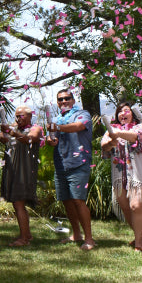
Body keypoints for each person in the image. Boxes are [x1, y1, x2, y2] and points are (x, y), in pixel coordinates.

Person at [100, 102, 142, 252]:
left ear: (133, 114)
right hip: (119, 174)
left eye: (127, 110)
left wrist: (117, 134)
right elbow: (104, 146)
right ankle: (140, 236)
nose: (123, 113)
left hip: (139, 172)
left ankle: (138, 244)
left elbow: (137, 137)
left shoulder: (140, 127)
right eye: (120, 111)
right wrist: (111, 142)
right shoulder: (112, 130)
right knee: (125, 206)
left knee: (136, 205)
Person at [46, 89, 95, 251]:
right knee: (67, 201)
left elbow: (79, 126)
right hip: (61, 164)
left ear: (73, 100)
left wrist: (57, 127)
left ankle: (89, 239)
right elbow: (53, 139)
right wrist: (50, 139)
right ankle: (76, 234)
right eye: (60, 99)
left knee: (78, 200)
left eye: (67, 98)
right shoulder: (57, 118)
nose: (64, 101)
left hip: (78, 163)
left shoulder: (82, 114)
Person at [0, 106, 43, 247]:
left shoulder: (36, 128)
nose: (18, 119)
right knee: (17, 203)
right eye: (17, 116)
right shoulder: (14, 128)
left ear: (30, 116)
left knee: (19, 203)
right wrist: (1, 135)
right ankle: (27, 234)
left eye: (21, 116)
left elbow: (29, 139)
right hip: (12, 170)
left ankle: (24, 239)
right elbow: (3, 138)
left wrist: (11, 132)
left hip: (25, 171)